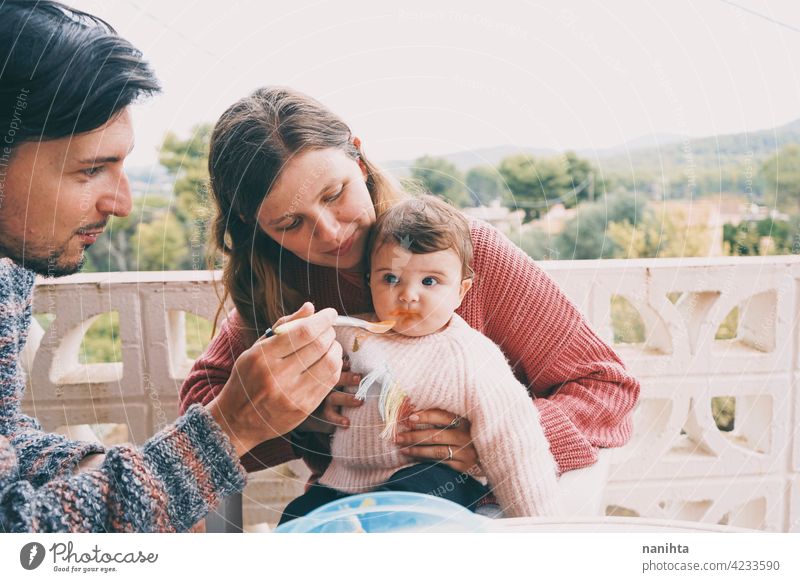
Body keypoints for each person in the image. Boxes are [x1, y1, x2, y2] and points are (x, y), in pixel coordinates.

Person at [180, 86, 641, 509]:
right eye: (290, 224)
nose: (331, 231)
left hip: (485, 516)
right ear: (253, 226)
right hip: (349, 514)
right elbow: (200, 411)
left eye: (335, 193)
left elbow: (607, 387)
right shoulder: (278, 288)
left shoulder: (462, 253)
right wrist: (302, 416)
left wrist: (493, 440)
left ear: (358, 159)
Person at [0, 1, 339, 532]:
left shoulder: (8, 267)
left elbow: (4, 442)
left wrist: (106, 471)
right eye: (91, 170)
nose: (123, 203)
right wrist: (224, 433)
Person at [279, 195, 562, 524]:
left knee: (406, 514)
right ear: (369, 281)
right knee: (295, 517)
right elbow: (282, 363)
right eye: (391, 278)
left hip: (433, 481)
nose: (408, 294)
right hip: (343, 483)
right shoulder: (348, 334)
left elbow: (514, 442)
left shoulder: (469, 355)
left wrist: (543, 529)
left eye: (430, 281)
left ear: (461, 291)